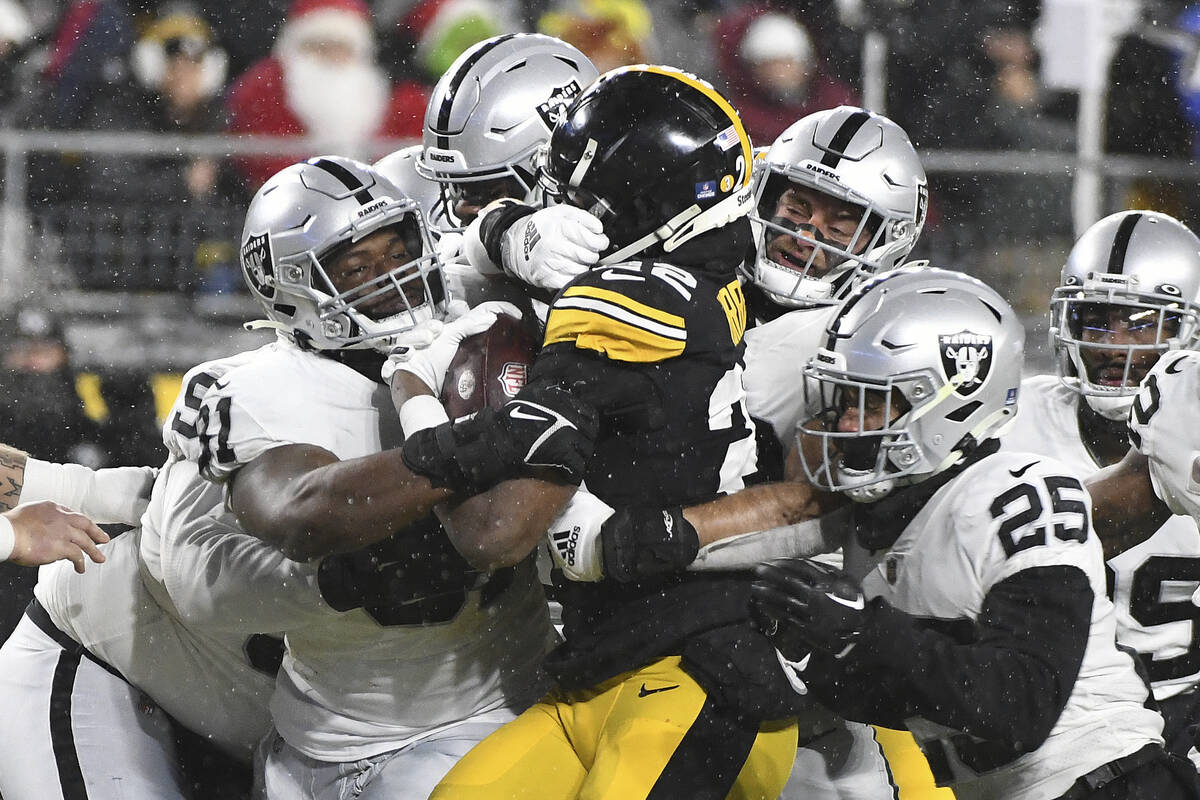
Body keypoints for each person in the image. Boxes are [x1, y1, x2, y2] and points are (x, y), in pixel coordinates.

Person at [429, 64, 801, 800]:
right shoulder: (712, 265)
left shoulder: (619, 307)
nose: (558, 206)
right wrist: (503, 235)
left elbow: (497, 519)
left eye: (582, 193)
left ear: (642, 205)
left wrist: (417, 405)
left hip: (696, 665)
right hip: (606, 662)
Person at [189, 154, 596, 800]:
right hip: (317, 739)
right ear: (295, 289)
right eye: (357, 268)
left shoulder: (474, 313)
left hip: (488, 720)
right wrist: (481, 441)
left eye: (401, 248)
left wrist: (513, 232)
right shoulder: (270, 387)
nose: (397, 275)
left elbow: (485, 244)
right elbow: (302, 512)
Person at [751, 267, 1195, 799]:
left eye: (873, 402)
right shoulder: (877, 519)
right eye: (845, 401)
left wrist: (861, 632)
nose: (849, 426)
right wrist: (815, 655)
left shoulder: (1021, 492)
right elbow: (913, 694)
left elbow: (1020, 705)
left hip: (1108, 783)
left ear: (950, 399)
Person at [1002, 210, 1200, 762]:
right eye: (1096, 320)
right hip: (1044, 730)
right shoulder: (1009, 422)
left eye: (1141, 323)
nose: (1114, 346)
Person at [226, 0, 428, 190]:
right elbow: (261, 158)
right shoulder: (265, 90)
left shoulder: (395, 98)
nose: (331, 58)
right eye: (319, 46)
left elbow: (412, 161)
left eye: (341, 47)